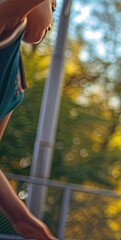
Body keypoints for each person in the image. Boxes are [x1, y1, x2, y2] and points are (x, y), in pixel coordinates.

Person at [0, 0, 57, 239]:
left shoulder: (16, 84)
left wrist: (24, 219)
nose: (52, 24)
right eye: (53, 6)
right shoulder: (6, 20)